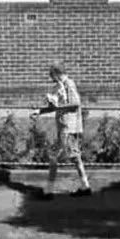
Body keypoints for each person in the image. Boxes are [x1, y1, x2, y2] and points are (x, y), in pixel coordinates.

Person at [36, 62, 92, 198]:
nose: (51, 78)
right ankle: (85, 187)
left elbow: (75, 104)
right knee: (75, 157)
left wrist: (57, 107)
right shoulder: (60, 86)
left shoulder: (69, 84)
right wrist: (40, 111)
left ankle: (49, 191)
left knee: (54, 157)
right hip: (66, 127)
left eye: (51, 75)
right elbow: (57, 106)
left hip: (69, 127)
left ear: (56, 73)